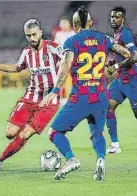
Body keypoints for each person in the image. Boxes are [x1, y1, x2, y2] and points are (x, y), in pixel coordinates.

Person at [39, 6, 136, 181]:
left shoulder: (72, 41)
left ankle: (71, 159)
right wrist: (115, 66)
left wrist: (54, 92)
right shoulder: (103, 38)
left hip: (80, 98)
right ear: (91, 23)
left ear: (75, 24)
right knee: (97, 133)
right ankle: (100, 160)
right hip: (100, 96)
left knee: (54, 132)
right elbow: (128, 53)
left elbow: (65, 67)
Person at [0, 19, 63, 172]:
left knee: (25, 134)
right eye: (28, 36)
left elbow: (68, 60)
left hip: (50, 101)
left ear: (40, 33)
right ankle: (26, 126)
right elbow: (16, 68)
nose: (32, 38)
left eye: (34, 34)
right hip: (30, 97)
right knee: (9, 133)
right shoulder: (26, 52)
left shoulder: (53, 48)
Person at [105, 6, 137, 154]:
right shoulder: (115, 35)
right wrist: (113, 63)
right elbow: (123, 56)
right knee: (108, 108)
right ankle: (115, 145)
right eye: (112, 17)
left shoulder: (126, 34)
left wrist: (116, 66)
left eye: (116, 17)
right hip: (119, 81)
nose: (113, 19)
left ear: (122, 19)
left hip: (132, 80)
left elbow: (134, 56)